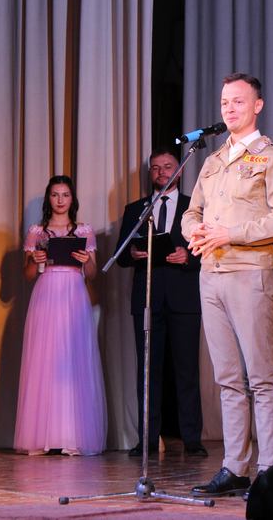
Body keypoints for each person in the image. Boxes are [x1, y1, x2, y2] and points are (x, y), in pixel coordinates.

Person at [182, 73, 273, 497]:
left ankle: (269, 472)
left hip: (250, 273)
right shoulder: (213, 160)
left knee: (261, 378)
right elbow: (191, 212)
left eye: (237, 101)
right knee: (227, 378)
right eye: (224, 102)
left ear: (257, 106)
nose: (229, 109)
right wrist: (195, 231)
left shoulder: (272, 158)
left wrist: (230, 233)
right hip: (210, 274)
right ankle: (235, 467)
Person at [117, 149, 206, 458]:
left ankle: (192, 439)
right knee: (148, 371)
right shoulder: (136, 209)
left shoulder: (195, 207)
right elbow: (120, 256)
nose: (161, 172)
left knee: (187, 371)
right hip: (147, 300)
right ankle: (148, 440)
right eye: (155, 168)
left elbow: (210, 251)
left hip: (184, 300)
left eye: (167, 166)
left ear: (178, 171)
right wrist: (133, 253)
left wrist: (188, 257)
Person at [14, 175, 107, 455]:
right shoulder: (37, 232)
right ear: (49, 198)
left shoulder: (84, 231)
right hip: (46, 294)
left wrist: (86, 261)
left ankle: (71, 437)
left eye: (65, 195)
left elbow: (92, 274)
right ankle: (41, 437)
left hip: (74, 294)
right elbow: (27, 275)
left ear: (72, 199)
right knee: (44, 361)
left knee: (71, 361)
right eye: (55, 195)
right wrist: (35, 260)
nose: (60, 200)